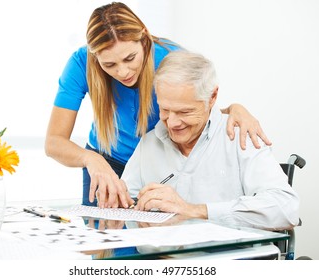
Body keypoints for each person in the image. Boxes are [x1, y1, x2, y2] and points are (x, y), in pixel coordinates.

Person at [45, 2, 271, 210]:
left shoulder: (173, 58)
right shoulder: (80, 63)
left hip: (156, 165)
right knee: (105, 245)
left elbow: (196, 111)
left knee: (154, 245)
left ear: (143, 38)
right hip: (105, 165)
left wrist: (233, 109)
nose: (122, 72)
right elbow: (54, 142)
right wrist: (92, 159)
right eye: (109, 65)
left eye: (130, 58)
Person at [122, 51, 300, 230]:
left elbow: (286, 209)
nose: (173, 123)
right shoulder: (149, 143)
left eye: (185, 112)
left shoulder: (240, 137)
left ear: (212, 97)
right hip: (157, 256)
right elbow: (125, 203)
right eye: (165, 110)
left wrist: (195, 211)